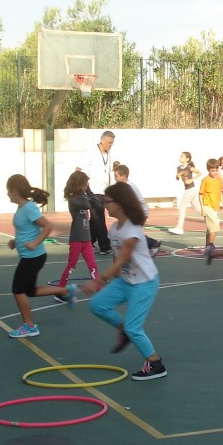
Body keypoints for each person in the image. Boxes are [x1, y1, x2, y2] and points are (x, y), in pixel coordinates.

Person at [81, 182, 165, 381]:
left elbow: (123, 257)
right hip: (125, 281)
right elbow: (116, 255)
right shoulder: (114, 228)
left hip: (144, 284)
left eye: (107, 202)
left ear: (119, 203)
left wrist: (98, 281)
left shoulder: (132, 230)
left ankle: (155, 364)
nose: (104, 206)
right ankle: (123, 330)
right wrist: (115, 276)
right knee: (97, 305)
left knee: (133, 327)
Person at [5, 174, 75, 338]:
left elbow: (47, 226)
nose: (7, 194)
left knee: (17, 289)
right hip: (30, 256)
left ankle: (29, 326)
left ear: (14, 191)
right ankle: (66, 291)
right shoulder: (22, 208)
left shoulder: (29, 208)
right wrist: (16, 242)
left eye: (8, 191)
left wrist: (35, 243)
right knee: (29, 290)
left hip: (33, 257)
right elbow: (26, 230)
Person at [57, 170, 99, 290]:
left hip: (87, 239)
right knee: (71, 266)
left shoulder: (84, 196)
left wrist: (89, 191)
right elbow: (87, 205)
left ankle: (99, 288)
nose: (87, 186)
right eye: (85, 184)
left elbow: (97, 203)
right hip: (76, 239)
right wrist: (85, 193)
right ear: (80, 184)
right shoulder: (73, 199)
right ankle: (60, 289)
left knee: (93, 265)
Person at [113, 163, 162, 258]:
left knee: (132, 233)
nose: (115, 178)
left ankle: (153, 244)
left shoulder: (127, 187)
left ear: (123, 176)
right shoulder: (127, 185)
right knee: (132, 233)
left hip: (139, 213)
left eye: (116, 176)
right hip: (139, 212)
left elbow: (130, 203)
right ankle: (150, 245)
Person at [78, 131, 115, 254]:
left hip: (103, 190)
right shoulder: (91, 151)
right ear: (102, 140)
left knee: (95, 219)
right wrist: (84, 189)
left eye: (112, 143)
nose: (110, 145)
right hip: (92, 190)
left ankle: (88, 242)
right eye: (109, 143)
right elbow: (80, 169)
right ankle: (105, 246)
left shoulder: (109, 153)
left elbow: (108, 172)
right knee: (99, 217)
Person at [168, 151, 202, 236]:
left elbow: (200, 173)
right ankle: (210, 217)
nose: (180, 158)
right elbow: (177, 178)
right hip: (188, 190)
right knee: (197, 209)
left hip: (191, 190)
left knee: (182, 207)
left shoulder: (189, 167)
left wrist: (191, 180)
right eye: (180, 156)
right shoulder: (179, 167)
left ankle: (179, 228)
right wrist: (177, 176)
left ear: (187, 159)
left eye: (182, 156)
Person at [198, 158, 223, 256]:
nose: (214, 172)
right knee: (215, 223)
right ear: (208, 170)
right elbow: (200, 194)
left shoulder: (219, 179)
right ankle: (211, 246)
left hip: (214, 207)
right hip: (207, 205)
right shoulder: (205, 180)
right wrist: (202, 208)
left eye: (216, 170)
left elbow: (220, 192)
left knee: (210, 228)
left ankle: (207, 246)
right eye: (212, 171)